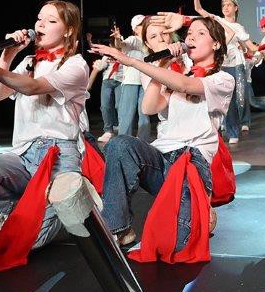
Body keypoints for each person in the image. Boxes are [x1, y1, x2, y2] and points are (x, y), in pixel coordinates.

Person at [0, 1, 90, 266]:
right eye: (39, 18)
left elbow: (33, 87)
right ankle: (16, 210)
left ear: (69, 30)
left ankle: (55, 210)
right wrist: (7, 55)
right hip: (23, 154)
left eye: (51, 21)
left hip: (58, 154)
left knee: (26, 242)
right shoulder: (28, 61)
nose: (40, 24)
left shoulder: (76, 64)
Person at [90, 16, 235, 260]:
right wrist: (164, 64)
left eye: (200, 33)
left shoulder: (222, 79)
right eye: (190, 33)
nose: (191, 37)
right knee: (120, 144)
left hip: (191, 162)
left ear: (216, 44)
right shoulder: (176, 72)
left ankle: (201, 208)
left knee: (175, 247)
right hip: (162, 157)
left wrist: (130, 61)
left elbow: (186, 85)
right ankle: (118, 228)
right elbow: (149, 107)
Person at [194, 0, 253, 145]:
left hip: (236, 64)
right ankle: (226, 130)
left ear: (235, 8)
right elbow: (198, 9)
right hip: (221, 64)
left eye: (229, 5)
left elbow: (250, 47)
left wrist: (262, 50)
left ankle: (238, 125)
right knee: (223, 98)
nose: (225, 8)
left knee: (238, 98)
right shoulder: (217, 20)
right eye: (223, 5)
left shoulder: (239, 27)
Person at [115, 14, 150, 139]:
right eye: (141, 25)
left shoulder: (150, 41)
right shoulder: (133, 39)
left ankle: (143, 142)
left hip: (146, 82)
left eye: (145, 24)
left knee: (145, 113)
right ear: (135, 28)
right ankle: (124, 141)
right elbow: (121, 45)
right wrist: (117, 39)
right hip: (131, 82)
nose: (144, 26)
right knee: (127, 114)